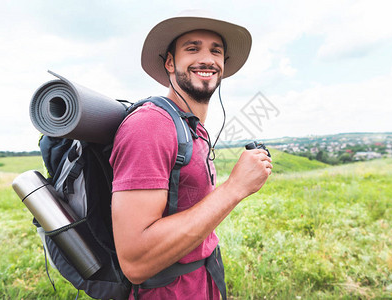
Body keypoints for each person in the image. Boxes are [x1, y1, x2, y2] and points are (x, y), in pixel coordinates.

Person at [110, 12, 273, 300]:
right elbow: (135, 262)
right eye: (192, 48)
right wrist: (235, 188)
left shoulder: (192, 129)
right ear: (170, 62)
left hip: (203, 283)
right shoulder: (150, 126)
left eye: (216, 50)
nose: (207, 59)